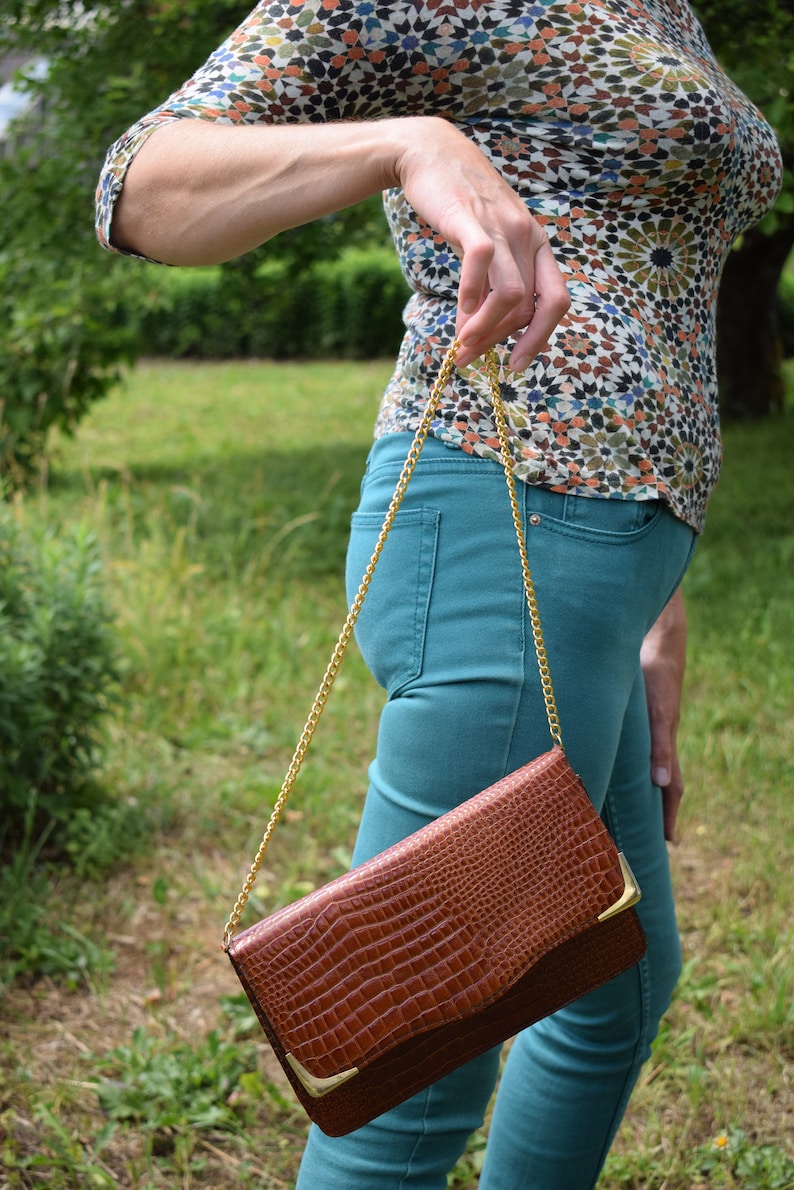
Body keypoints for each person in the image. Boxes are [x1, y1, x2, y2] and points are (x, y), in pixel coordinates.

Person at [96, 2, 782, 1186]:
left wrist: (651, 610)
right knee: (418, 1058)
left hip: (602, 563)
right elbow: (141, 183)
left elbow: (639, 294)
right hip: (498, 520)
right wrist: (402, 142)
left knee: (613, 980)